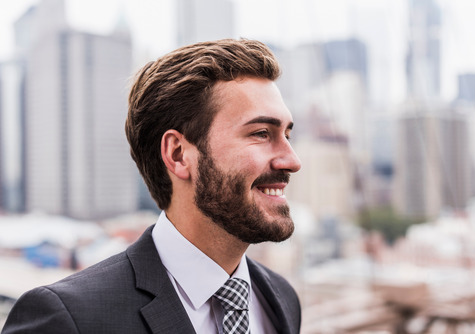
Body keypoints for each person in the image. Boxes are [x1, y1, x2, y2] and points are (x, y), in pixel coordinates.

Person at [2, 38, 302, 334]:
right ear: (178, 154)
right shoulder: (68, 319)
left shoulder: (281, 298)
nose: (292, 160)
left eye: (287, 135)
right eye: (262, 133)